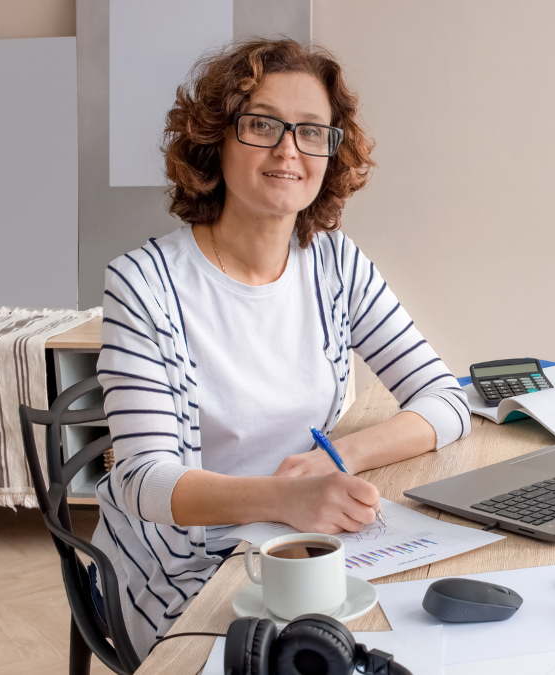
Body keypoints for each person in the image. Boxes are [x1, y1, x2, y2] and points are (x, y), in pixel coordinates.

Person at [90, 37, 470, 657]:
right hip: (181, 564)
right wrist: (285, 498)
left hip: (300, 536)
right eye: (263, 125)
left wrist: (336, 460)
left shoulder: (334, 263)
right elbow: (142, 479)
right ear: (215, 137)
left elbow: (446, 402)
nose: (289, 149)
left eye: (312, 131)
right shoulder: (144, 283)